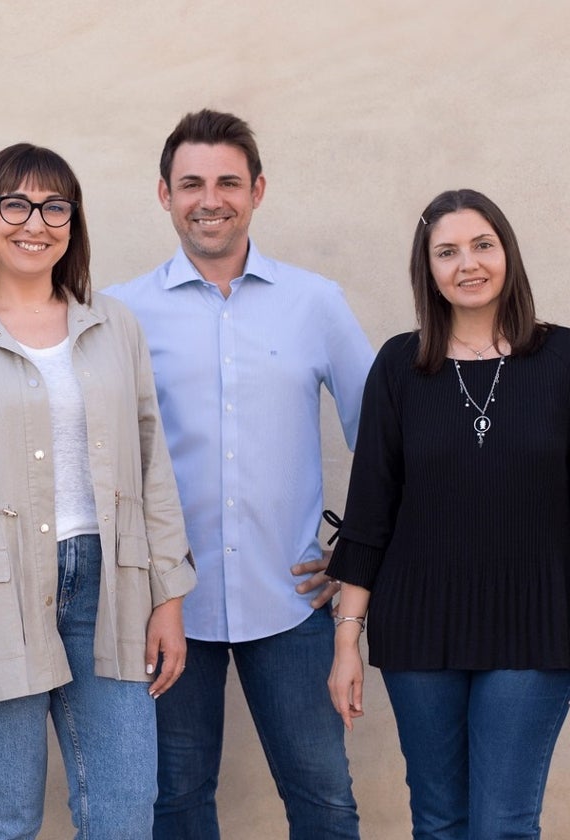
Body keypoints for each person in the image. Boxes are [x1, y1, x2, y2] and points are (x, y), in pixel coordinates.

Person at [0, 142, 196, 839]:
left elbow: (154, 465)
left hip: (111, 588)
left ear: (74, 221)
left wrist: (169, 595)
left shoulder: (113, 324)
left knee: (122, 812)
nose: (37, 221)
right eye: (17, 203)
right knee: (4, 818)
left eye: (56, 205)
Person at [104, 109, 373, 839]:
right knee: (178, 802)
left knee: (324, 801)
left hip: (290, 602)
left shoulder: (315, 302)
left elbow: (383, 442)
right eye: (191, 183)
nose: (209, 198)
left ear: (257, 190)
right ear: (164, 194)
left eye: (228, 181)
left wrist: (355, 558)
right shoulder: (120, 314)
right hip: (168, 608)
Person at [327, 189, 570, 839]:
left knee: (504, 825)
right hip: (418, 625)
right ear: (427, 269)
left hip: (535, 623)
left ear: (507, 254)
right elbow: (370, 509)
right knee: (439, 822)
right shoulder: (400, 368)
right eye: (447, 251)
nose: (468, 263)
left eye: (482, 245)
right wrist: (347, 638)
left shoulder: (562, 359)